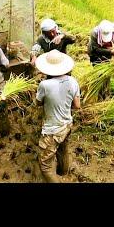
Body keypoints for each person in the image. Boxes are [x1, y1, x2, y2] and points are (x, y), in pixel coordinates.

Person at [34, 49, 81, 183]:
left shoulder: (45, 85)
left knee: (45, 165)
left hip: (52, 131)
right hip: (67, 125)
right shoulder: (73, 81)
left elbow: (38, 103)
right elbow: (77, 106)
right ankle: (63, 172)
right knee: (63, 150)